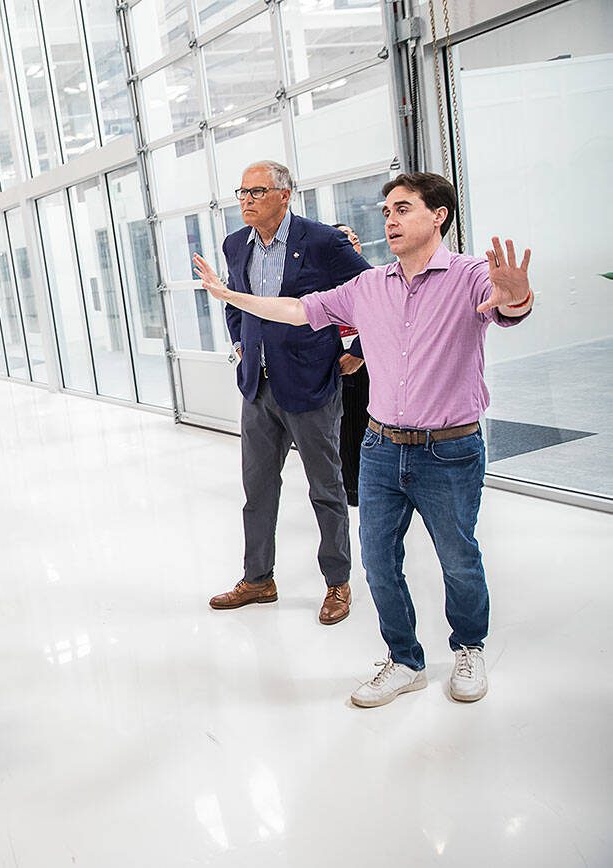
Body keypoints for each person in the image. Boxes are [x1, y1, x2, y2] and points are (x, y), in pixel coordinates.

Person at [194, 172, 534, 707]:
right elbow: (298, 310)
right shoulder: (369, 286)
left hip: (449, 448)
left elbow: (507, 306)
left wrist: (516, 295)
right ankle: (404, 660)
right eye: (387, 211)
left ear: (438, 215)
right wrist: (228, 295)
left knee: (457, 558)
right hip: (379, 448)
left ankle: (469, 646)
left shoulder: (469, 275)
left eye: (403, 209)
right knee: (378, 562)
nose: (390, 220)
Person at [208, 161, 371, 626]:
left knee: (326, 487)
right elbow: (234, 299)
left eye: (256, 192)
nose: (245, 200)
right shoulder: (235, 244)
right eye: (241, 192)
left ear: (285, 194)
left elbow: (374, 292)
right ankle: (258, 578)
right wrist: (241, 343)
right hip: (257, 387)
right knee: (257, 490)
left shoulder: (321, 241)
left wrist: (359, 350)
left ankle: (337, 582)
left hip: (310, 383)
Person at [333, 223, 369, 507]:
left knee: (366, 421)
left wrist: (359, 351)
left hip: (367, 357)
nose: (353, 244)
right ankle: (351, 487)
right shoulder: (324, 280)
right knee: (345, 426)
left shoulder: (370, 278)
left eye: (356, 239)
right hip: (335, 362)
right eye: (346, 240)